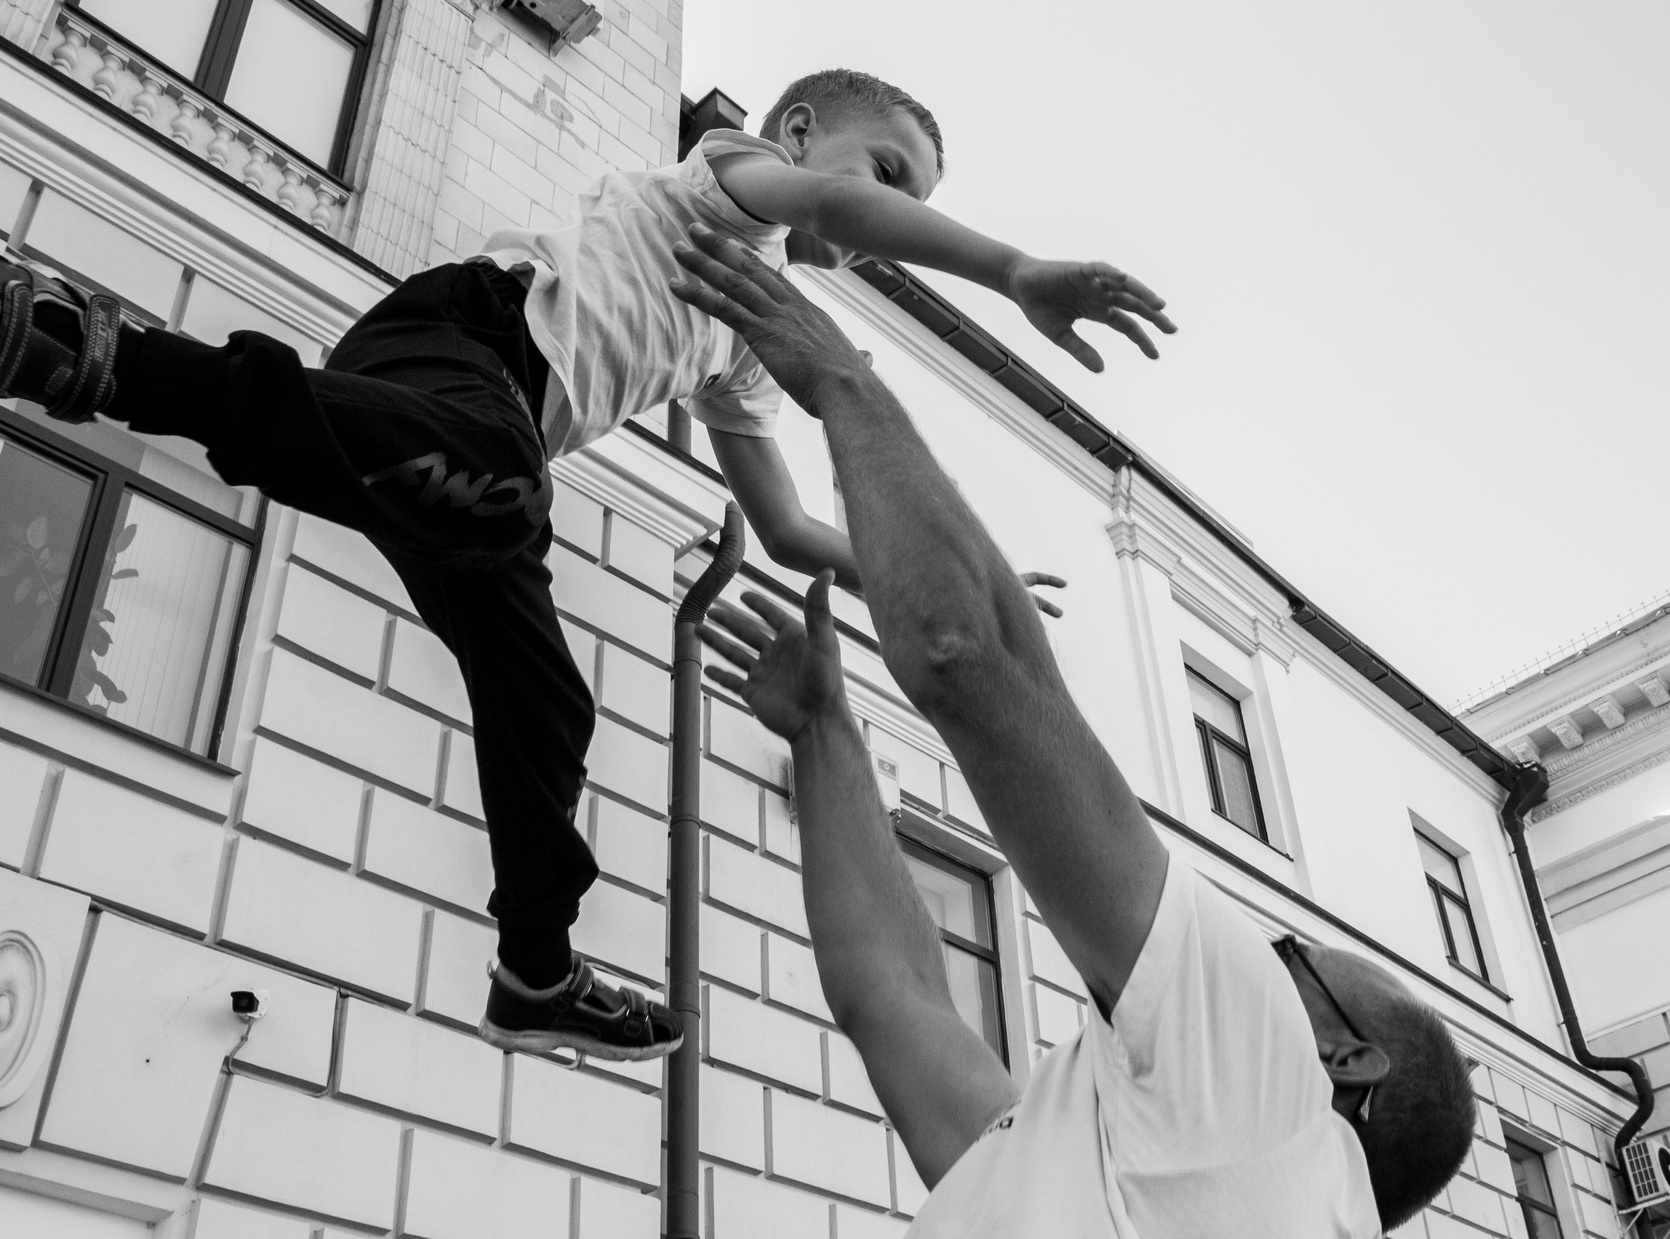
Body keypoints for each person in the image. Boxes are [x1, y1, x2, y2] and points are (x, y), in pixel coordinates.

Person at [676, 226, 1476, 1239]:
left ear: (1343, 1063)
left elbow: (971, 651)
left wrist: (840, 374)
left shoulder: (1269, 1103)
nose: (1260, 942)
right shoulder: (1124, 1180)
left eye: (1301, 960)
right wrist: (824, 741)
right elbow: (893, 997)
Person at [0, 68, 1168, 1061]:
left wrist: (963, 574)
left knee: (548, 707)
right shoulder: (741, 181)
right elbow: (827, 204)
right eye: (890, 171)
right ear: (804, 134)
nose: (886, 211)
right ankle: (80, 352)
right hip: (465, 344)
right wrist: (1012, 270)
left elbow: (790, 533)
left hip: (468, 470)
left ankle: (535, 970)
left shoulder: (744, 349)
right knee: (501, 477)